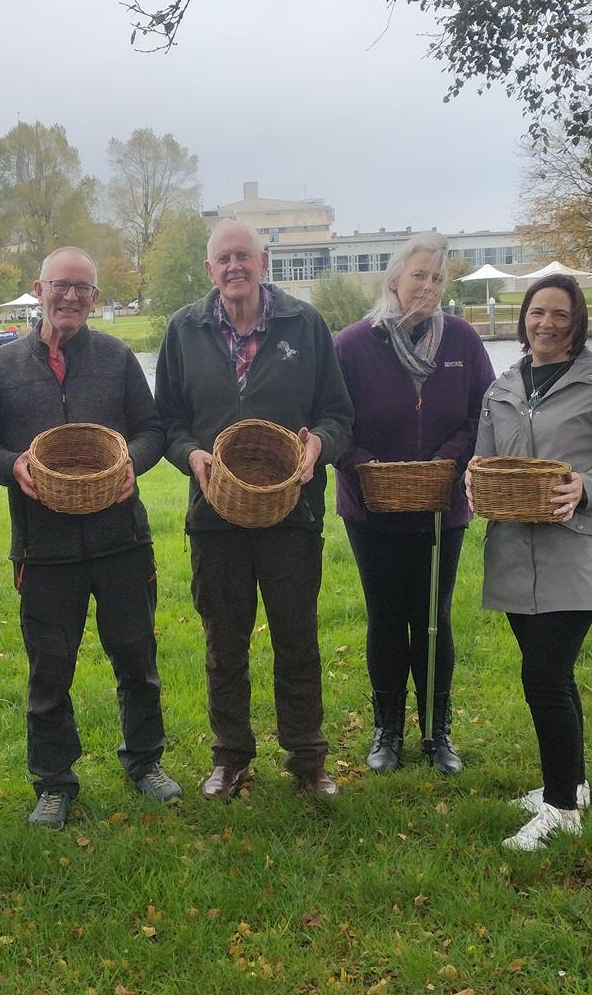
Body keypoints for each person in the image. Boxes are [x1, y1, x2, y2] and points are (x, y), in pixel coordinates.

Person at [0, 247, 176, 829]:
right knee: (49, 668)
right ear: (40, 289)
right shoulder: (3, 366)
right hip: (43, 548)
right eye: (63, 286)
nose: (73, 298)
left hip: (121, 539)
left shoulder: (115, 357)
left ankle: (145, 761)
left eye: (84, 289)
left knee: (137, 657)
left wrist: (132, 461)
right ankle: (54, 782)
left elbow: (153, 429)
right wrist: (13, 467)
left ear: (95, 299)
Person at [155, 219, 354, 800]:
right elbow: (167, 422)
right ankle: (230, 756)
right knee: (225, 640)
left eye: (244, 256)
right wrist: (191, 455)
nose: (234, 267)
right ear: (209, 269)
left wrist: (318, 444)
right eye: (223, 259)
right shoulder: (183, 330)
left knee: (297, 637)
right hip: (214, 518)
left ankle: (308, 756)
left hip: (292, 515)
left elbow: (338, 416)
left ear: (264, 262)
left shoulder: (304, 324)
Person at [471, 272, 592, 851]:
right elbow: (483, 460)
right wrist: (475, 487)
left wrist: (585, 488)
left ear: (577, 322)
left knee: (544, 676)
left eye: (558, 314)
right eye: (535, 313)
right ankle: (572, 784)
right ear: (522, 319)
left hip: (574, 550)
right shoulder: (503, 386)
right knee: (552, 676)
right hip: (513, 551)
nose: (545, 323)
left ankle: (558, 810)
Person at [334, 233, 495, 775]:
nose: (427, 287)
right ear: (393, 280)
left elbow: (483, 415)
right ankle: (387, 730)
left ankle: (436, 731)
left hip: (442, 508)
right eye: (418, 275)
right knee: (384, 615)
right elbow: (333, 422)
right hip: (371, 508)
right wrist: (367, 468)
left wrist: (446, 467)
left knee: (433, 616)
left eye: (436, 278)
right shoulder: (353, 345)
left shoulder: (465, 344)